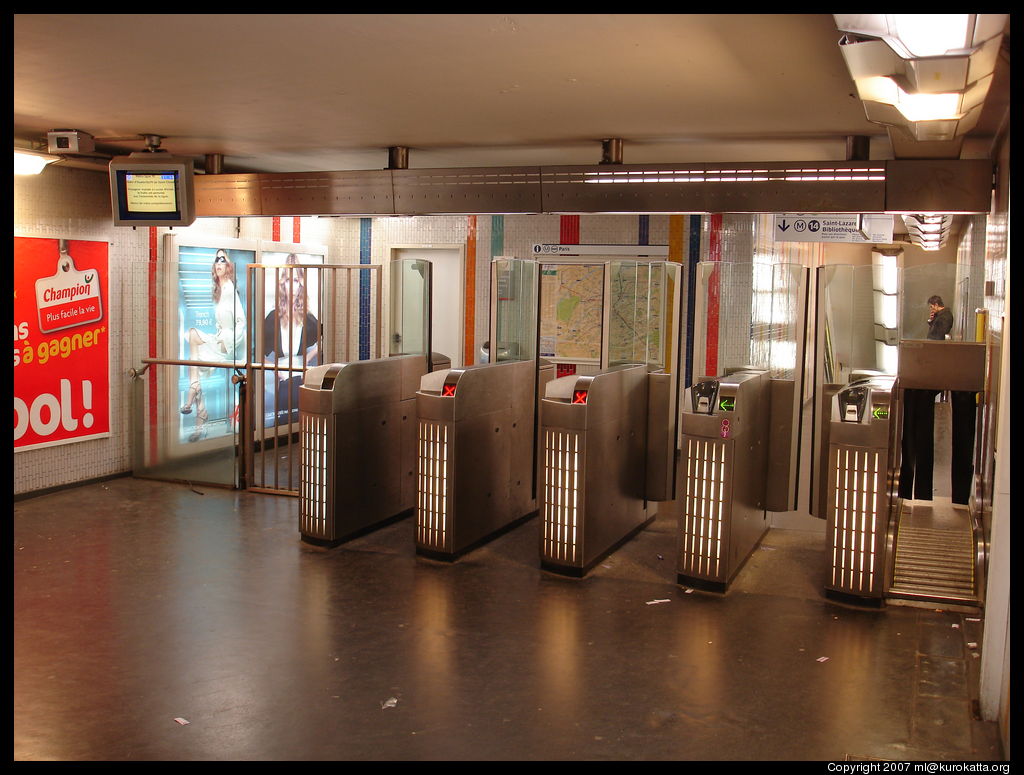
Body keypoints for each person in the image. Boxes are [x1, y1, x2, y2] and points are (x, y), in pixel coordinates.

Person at [180, 249, 246, 441]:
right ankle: (200, 408)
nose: (218, 263)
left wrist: (228, 343)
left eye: (222, 260)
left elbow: (240, 322)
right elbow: (223, 321)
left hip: (227, 347)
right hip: (220, 341)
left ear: (228, 266)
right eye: (216, 260)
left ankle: (198, 408)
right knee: (193, 343)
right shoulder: (220, 291)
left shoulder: (230, 290)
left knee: (194, 352)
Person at [262, 255, 320, 426]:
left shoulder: (308, 317)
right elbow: (257, 353)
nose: (292, 286)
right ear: (282, 284)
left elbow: (323, 340)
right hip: (284, 381)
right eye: (288, 280)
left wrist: (307, 360)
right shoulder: (272, 317)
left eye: (296, 280)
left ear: (301, 283)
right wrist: (277, 371)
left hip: (302, 380)